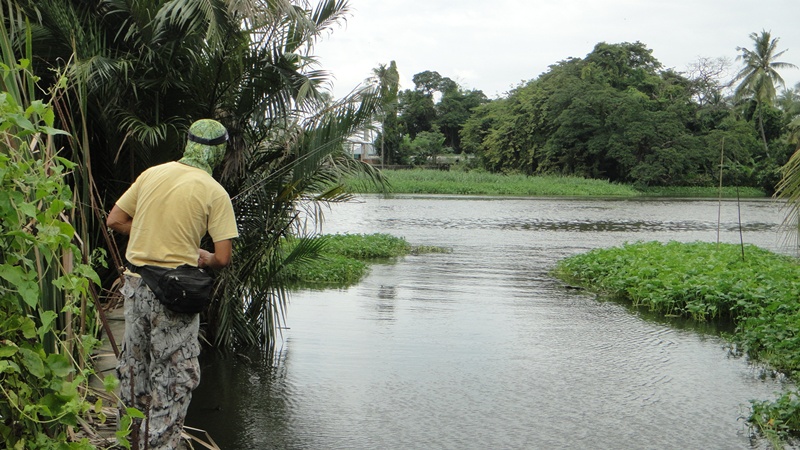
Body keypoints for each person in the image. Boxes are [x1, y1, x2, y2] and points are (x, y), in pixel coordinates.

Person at [107, 119, 238, 449]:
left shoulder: (152, 174)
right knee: (174, 377)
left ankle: (130, 441)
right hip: (174, 294)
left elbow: (115, 220)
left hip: (136, 286)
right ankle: (160, 446)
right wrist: (203, 256)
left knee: (134, 368)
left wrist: (148, 230)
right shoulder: (214, 191)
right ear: (219, 152)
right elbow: (222, 257)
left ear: (188, 143)